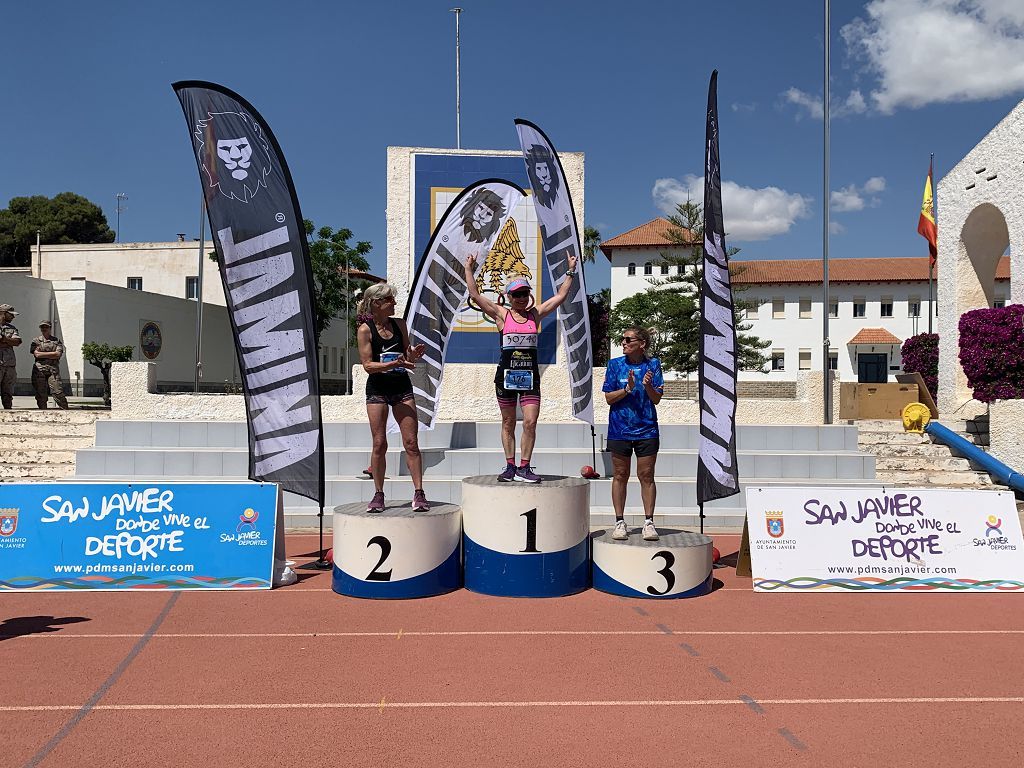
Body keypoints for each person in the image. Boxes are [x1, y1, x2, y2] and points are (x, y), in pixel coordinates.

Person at [464, 251, 578, 483]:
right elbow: (475, 295)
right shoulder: (501, 315)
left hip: (530, 378)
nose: (521, 298)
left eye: (525, 294)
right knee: (507, 422)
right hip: (505, 377)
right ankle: (509, 466)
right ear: (509, 296)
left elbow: (560, 296)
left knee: (530, 421)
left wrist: (571, 271)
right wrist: (469, 269)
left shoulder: (535, 315)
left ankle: (524, 467)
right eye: (517, 295)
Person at [356, 283, 429, 513]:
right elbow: (368, 365)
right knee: (379, 443)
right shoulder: (365, 330)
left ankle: (419, 493)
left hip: (401, 387)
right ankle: (378, 494)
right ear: (377, 303)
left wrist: (412, 355)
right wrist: (393, 363)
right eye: (390, 300)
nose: (394, 304)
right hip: (377, 389)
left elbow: (407, 356)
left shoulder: (399, 324)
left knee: (411, 443)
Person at [603, 327, 664, 541]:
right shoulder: (615, 365)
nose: (624, 343)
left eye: (629, 339)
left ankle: (649, 522)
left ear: (642, 344)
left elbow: (656, 399)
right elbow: (609, 398)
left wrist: (647, 386)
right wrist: (628, 389)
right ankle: (620, 522)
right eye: (623, 339)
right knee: (620, 475)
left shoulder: (653, 365)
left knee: (646, 475)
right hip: (619, 429)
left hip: (647, 429)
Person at [30, 321, 68, 410]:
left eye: (46, 327)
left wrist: (42, 353)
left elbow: (58, 354)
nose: (44, 329)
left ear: (50, 328)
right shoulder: (36, 341)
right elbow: (36, 355)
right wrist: (52, 354)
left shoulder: (56, 341)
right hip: (39, 370)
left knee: (58, 392)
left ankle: (66, 411)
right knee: (41, 394)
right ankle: (43, 412)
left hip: (53, 370)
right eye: (42, 327)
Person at [0, 304, 22, 410]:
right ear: (4, 314)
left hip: (9, 365)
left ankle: (8, 413)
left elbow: (17, 341)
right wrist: (8, 342)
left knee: (8, 392)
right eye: (11, 315)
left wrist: (4, 339)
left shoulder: (11, 328)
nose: (13, 317)